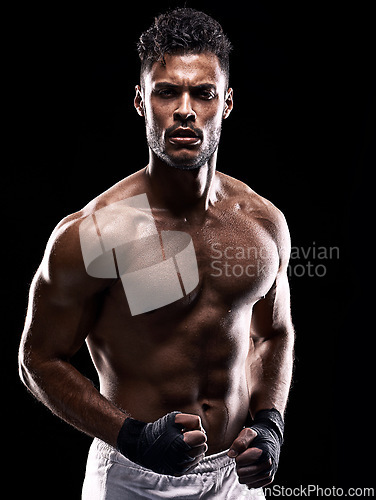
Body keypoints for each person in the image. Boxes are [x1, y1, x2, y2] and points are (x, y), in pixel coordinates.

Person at [18, 8, 294, 499]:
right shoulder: (99, 232)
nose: (185, 109)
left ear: (226, 103)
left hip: (233, 478)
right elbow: (38, 358)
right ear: (141, 101)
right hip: (132, 475)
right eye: (167, 92)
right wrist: (134, 437)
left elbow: (273, 332)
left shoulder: (260, 223)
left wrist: (270, 423)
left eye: (203, 93)